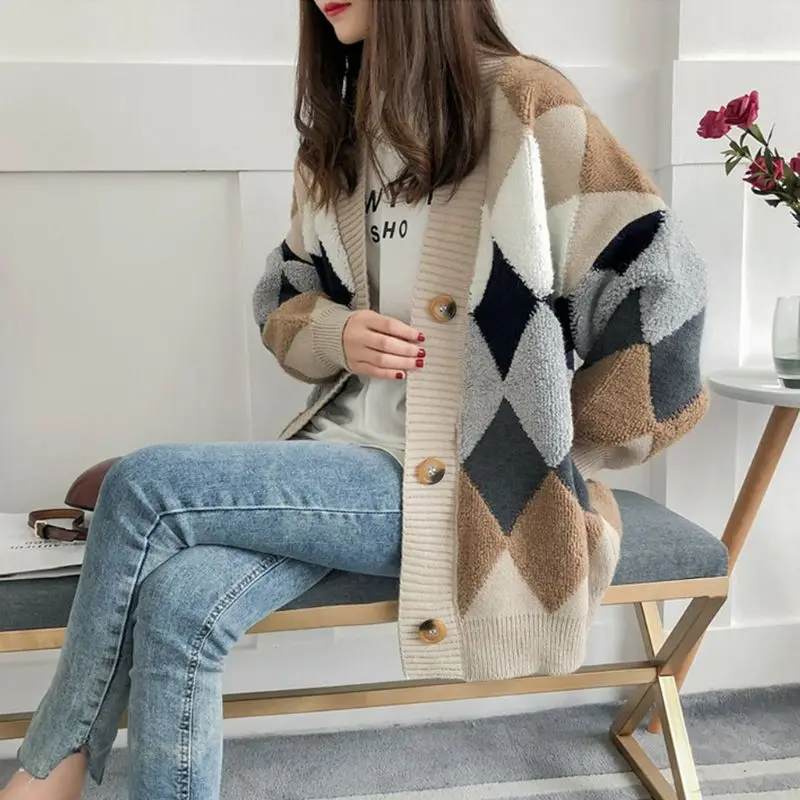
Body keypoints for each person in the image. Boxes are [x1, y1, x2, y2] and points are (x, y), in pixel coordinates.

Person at [0, 0, 709, 798]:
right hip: (335, 463)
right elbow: (280, 300)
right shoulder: (340, 140)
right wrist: (336, 334)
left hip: (452, 487)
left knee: (143, 484)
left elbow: (665, 284)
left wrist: (546, 446)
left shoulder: (524, 105)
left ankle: (46, 770)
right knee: (177, 602)